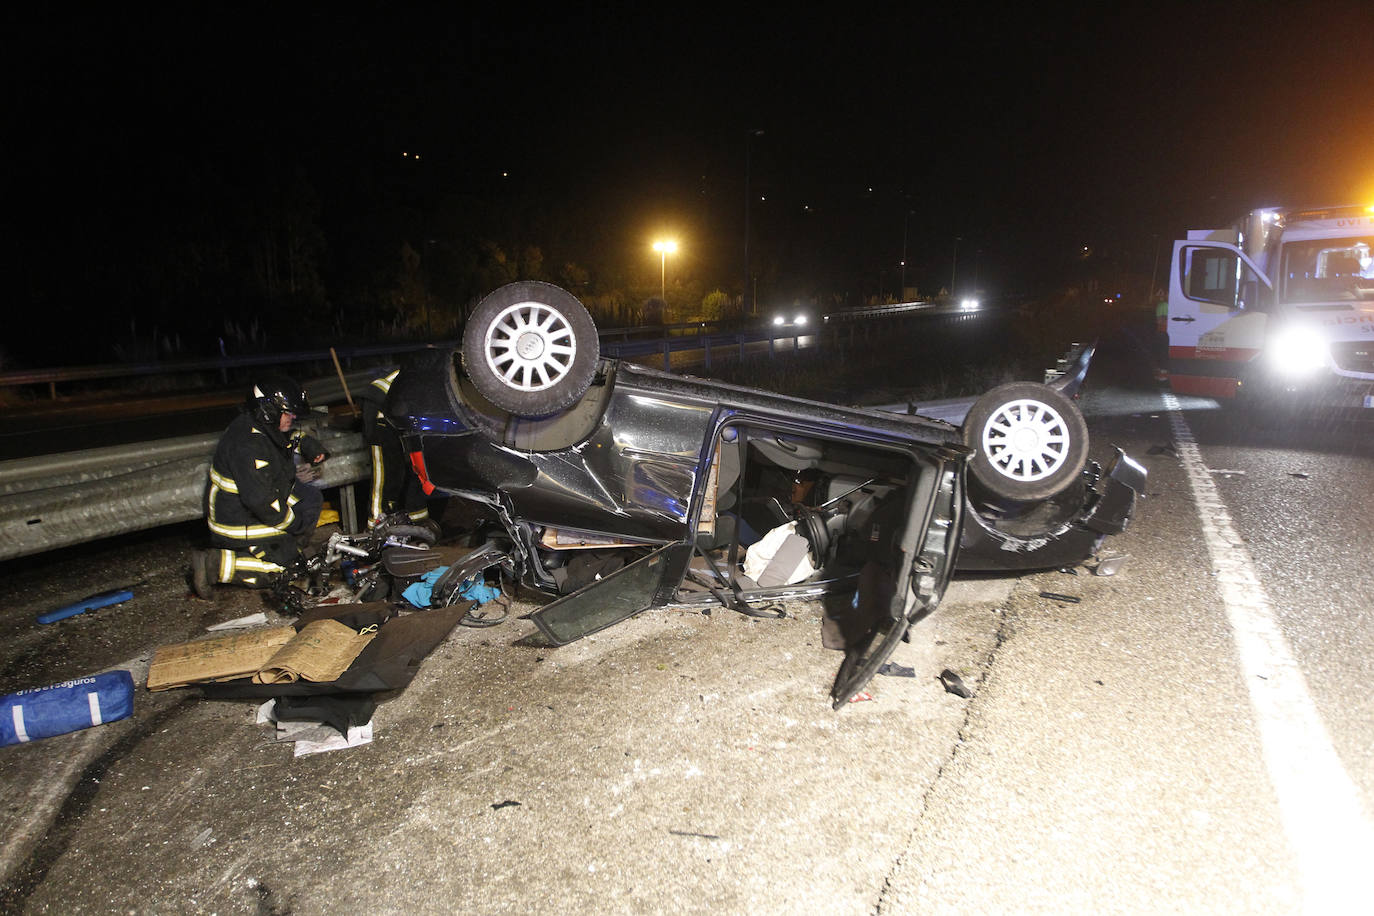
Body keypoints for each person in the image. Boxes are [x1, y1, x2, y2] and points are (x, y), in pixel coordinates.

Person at [190, 373, 329, 598]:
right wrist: (293, 525)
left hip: (255, 503)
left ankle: (288, 546)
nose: (292, 418)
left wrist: (308, 445)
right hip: (238, 521)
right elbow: (262, 502)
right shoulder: (247, 446)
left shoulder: (259, 425)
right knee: (292, 569)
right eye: (287, 413)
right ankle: (212, 565)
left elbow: (283, 438)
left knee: (310, 498)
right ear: (270, 411)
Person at [357, 368, 435, 531]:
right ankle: (375, 524)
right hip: (380, 411)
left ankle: (415, 519)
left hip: (401, 415)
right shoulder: (429, 378)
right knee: (384, 472)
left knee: (412, 468)